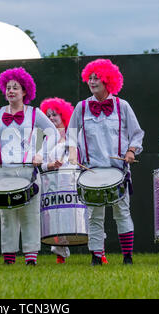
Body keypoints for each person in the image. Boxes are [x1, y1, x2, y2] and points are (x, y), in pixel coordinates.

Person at [66, 59, 144, 266]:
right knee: (94, 216)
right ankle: (96, 257)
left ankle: (127, 257)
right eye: (89, 77)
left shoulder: (122, 106)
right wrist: (72, 151)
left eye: (96, 77)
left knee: (122, 213)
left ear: (108, 80)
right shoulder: (81, 107)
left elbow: (137, 134)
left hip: (118, 170)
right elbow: (71, 134)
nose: (92, 81)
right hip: (91, 171)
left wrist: (130, 151)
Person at [0, 67, 59, 265]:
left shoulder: (35, 113)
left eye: (15, 88)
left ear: (25, 91)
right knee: (7, 215)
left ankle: (30, 258)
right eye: (8, 88)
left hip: (28, 171)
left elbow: (54, 134)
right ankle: (9, 257)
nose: (10, 91)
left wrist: (41, 154)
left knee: (30, 215)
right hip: (4, 170)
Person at [37, 97, 109, 264]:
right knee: (57, 218)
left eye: (54, 114)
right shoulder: (46, 140)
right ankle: (60, 254)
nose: (51, 118)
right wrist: (51, 165)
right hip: (56, 185)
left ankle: (100, 251)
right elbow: (41, 164)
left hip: (78, 182)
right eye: (48, 116)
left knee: (90, 216)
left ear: (63, 115)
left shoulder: (75, 135)